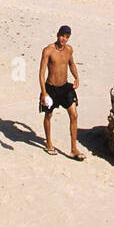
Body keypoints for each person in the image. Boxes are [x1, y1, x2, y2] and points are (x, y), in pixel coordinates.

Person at [38, 26, 83, 159]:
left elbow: (71, 64)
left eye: (67, 37)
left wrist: (76, 77)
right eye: (62, 36)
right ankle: (49, 143)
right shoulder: (48, 50)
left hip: (65, 88)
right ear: (57, 34)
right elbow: (41, 73)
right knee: (48, 115)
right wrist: (44, 92)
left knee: (74, 115)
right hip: (51, 89)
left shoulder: (69, 49)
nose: (64, 39)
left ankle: (74, 149)